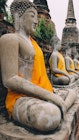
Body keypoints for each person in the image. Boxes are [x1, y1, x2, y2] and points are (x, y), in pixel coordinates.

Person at [0, 0, 66, 132]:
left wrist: (49, 94)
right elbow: (9, 79)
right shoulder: (9, 39)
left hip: (41, 92)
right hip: (20, 97)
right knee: (48, 116)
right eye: (32, 16)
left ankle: (59, 103)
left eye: (37, 16)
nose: (36, 20)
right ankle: (58, 104)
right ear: (18, 16)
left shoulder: (34, 44)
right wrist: (49, 96)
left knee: (72, 94)